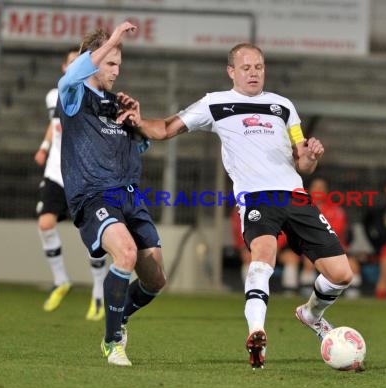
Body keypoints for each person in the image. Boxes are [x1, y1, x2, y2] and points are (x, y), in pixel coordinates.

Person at [118, 43, 354, 369]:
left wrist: (311, 156)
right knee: (264, 256)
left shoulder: (283, 106)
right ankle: (256, 333)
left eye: (258, 67)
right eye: (246, 68)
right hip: (256, 198)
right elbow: (166, 129)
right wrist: (138, 122)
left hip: (296, 196)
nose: (254, 73)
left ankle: (311, 314)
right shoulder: (215, 103)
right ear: (231, 71)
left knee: (342, 275)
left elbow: (303, 162)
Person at [58, 22, 166, 366]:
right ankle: (111, 341)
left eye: (119, 64)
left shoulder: (116, 103)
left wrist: (136, 122)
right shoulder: (74, 95)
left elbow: (139, 146)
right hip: (94, 195)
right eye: (110, 63)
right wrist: (115, 37)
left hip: (130, 196)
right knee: (126, 253)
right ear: (93, 59)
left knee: (155, 280)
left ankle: (119, 316)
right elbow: (70, 75)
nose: (117, 71)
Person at [34, 47, 108, 320]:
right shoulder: (54, 96)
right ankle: (61, 280)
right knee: (45, 223)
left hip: (83, 176)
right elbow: (54, 123)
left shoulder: (92, 96)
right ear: (65, 68)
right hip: (56, 172)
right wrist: (44, 146)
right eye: (71, 63)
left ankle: (99, 292)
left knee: (94, 240)